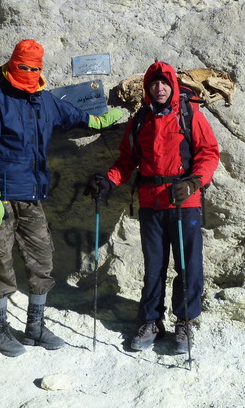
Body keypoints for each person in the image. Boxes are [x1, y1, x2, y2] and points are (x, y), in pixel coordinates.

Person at [0, 39, 122, 357]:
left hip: (32, 197)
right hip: (1, 197)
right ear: (12, 65)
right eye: (23, 67)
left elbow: (74, 116)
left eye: (34, 69)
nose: (28, 73)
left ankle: (34, 328)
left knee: (42, 261)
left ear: (41, 70)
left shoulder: (45, 101)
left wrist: (101, 121)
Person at [86, 61, 219, 353]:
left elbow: (208, 153)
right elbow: (126, 160)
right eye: (153, 84)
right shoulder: (140, 120)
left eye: (164, 83)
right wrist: (108, 181)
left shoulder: (190, 115)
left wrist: (195, 182)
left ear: (172, 86)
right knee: (154, 266)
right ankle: (151, 321)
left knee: (188, 267)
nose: (159, 88)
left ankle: (184, 322)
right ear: (147, 89)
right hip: (151, 202)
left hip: (185, 202)